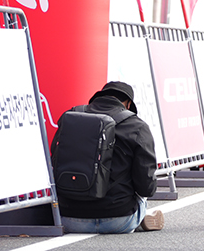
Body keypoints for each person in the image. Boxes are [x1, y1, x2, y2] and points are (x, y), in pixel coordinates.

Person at [54, 82, 162, 234]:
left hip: (68, 218)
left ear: (98, 97)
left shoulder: (71, 116)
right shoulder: (137, 126)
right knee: (141, 196)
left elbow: (54, 158)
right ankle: (140, 219)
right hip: (118, 219)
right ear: (128, 104)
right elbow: (146, 187)